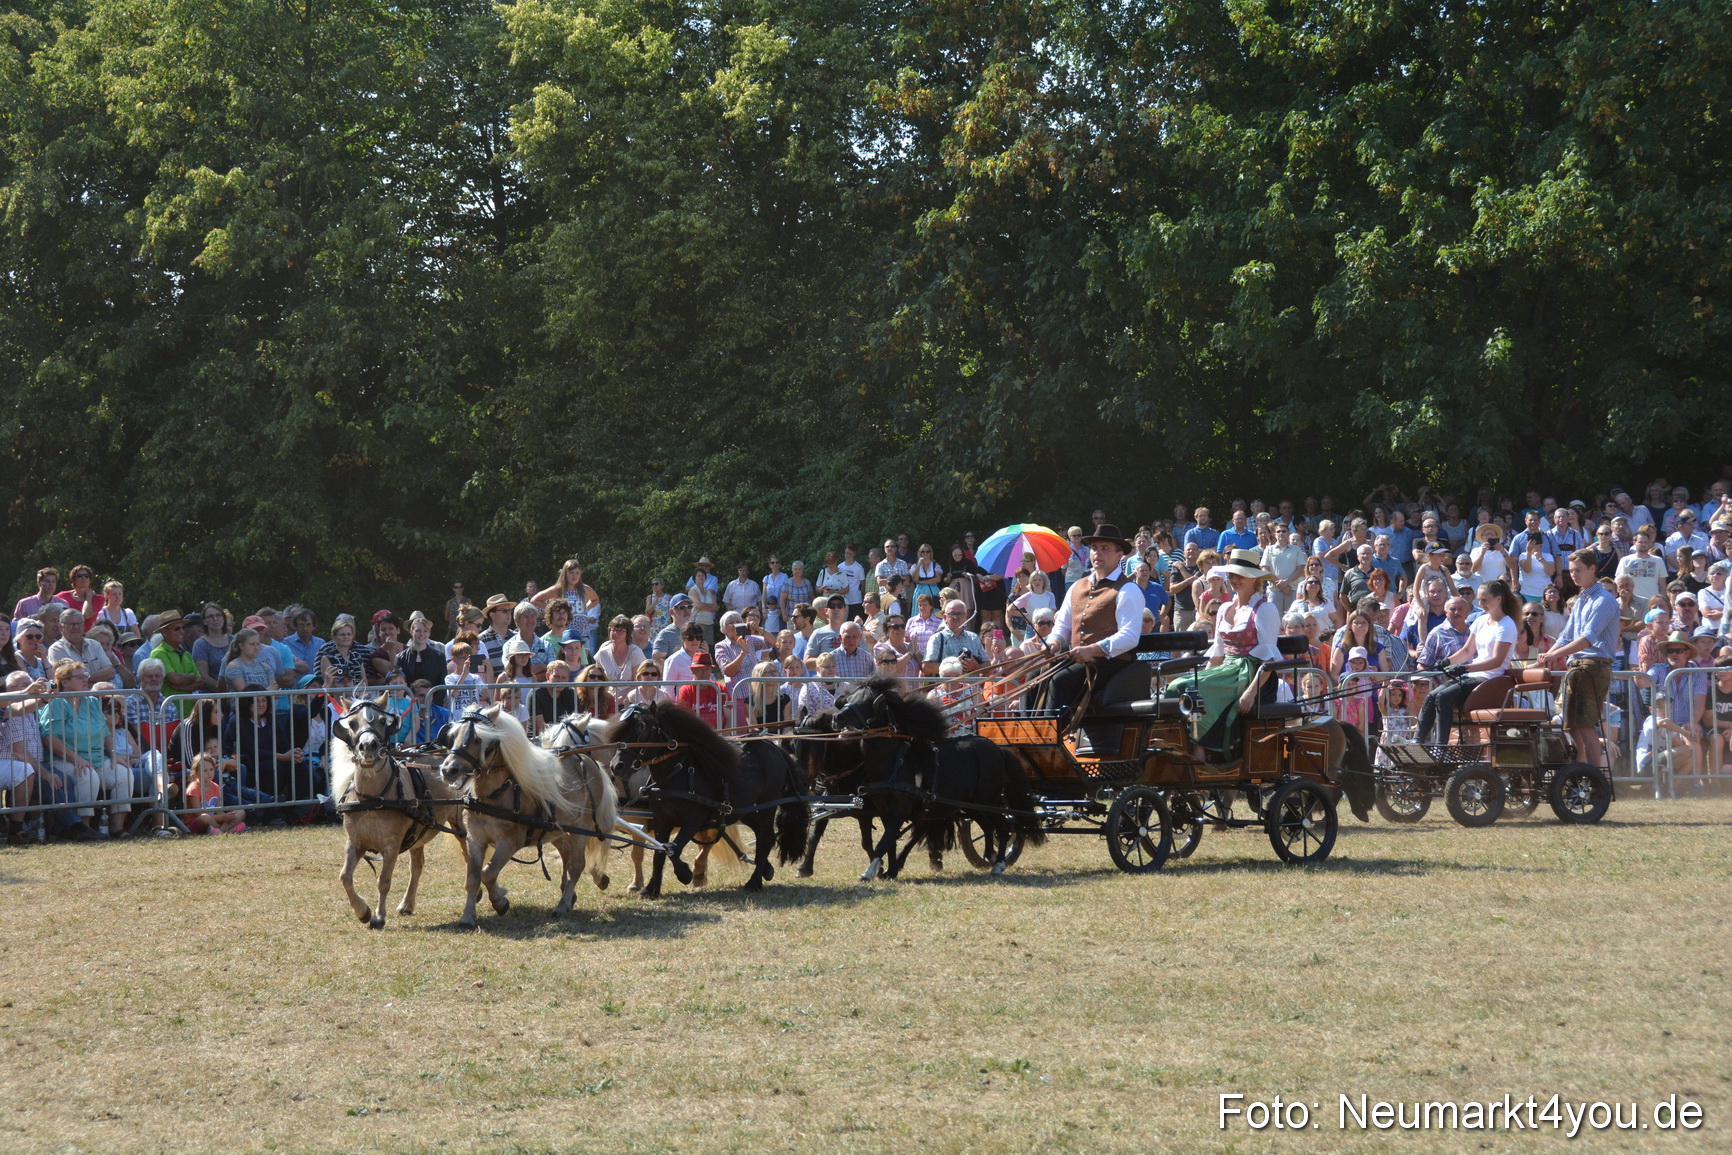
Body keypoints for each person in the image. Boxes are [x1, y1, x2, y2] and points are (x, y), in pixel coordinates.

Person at [1039, 524, 1147, 731]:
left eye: (1105, 548)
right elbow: (1062, 627)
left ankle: (1052, 740)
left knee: (1061, 680)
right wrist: (1053, 642)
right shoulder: (1076, 587)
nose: (1098, 553)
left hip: (1113, 663)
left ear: (1119, 555)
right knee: (1037, 676)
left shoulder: (1127, 590)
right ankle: (1027, 734)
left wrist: (1092, 650)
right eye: (1095, 548)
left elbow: (1130, 636)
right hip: (1079, 659)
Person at [1531, 550, 1623, 768]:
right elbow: (1566, 636)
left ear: (1593, 569)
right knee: (1571, 726)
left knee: (1586, 726)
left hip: (1594, 665)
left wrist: (1553, 655)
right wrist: (1544, 658)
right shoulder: (1582, 599)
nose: (1574, 575)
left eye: (1578, 570)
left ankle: (1594, 777)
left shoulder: (1605, 600)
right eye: (1571, 571)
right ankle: (1580, 772)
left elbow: (1587, 638)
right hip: (1577, 666)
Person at [1416, 579, 1519, 747]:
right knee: (1431, 696)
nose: (1480, 603)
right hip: (1474, 675)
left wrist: (1465, 667)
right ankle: (1417, 741)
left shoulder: (1507, 625)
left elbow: (1496, 660)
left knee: (1443, 697)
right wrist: (1447, 661)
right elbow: (1467, 651)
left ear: (1498, 599)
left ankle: (1441, 745)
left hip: (1491, 678)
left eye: (1485, 599)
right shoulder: (1480, 621)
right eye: (1479, 599)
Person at [532, 559, 601, 647]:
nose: (574, 576)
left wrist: (586, 608)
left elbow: (595, 599)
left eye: (577, 573)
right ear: (565, 573)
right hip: (565, 631)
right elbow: (535, 600)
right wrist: (552, 609)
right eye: (571, 572)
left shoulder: (585, 589)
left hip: (583, 631)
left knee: (583, 659)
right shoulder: (558, 589)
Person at [47, 604, 115, 684]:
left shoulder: (95, 645)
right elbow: (68, 679)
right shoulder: (56, 649)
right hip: (76, 696)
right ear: (61, 626)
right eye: (71, 624)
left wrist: (83, 676)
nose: (76, 627)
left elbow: (110, 673)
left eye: (79, 623)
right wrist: (99, 676)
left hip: (101, 695)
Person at [687, 558, 720, 644]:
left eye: (703, 576)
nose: (701, 577)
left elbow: (716, 607)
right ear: (694, 579)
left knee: (709, 647)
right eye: (699, 576)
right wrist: (709, 606)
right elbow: (698, 605)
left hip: (709, 623)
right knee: (697, 646)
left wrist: (703, 606)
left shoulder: (708, 591)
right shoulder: (693, 591)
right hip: (697, 623)